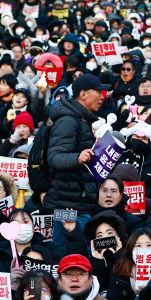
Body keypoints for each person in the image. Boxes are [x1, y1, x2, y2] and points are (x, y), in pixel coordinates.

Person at [45, 75, 109, 245]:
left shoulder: (80, 119)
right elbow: (54, 157)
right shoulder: (68, 121)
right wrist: (78, 158)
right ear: (83, 94)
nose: (103, 96)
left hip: (76, 201)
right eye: (98, 91)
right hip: (69, 206)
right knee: (68, 253)